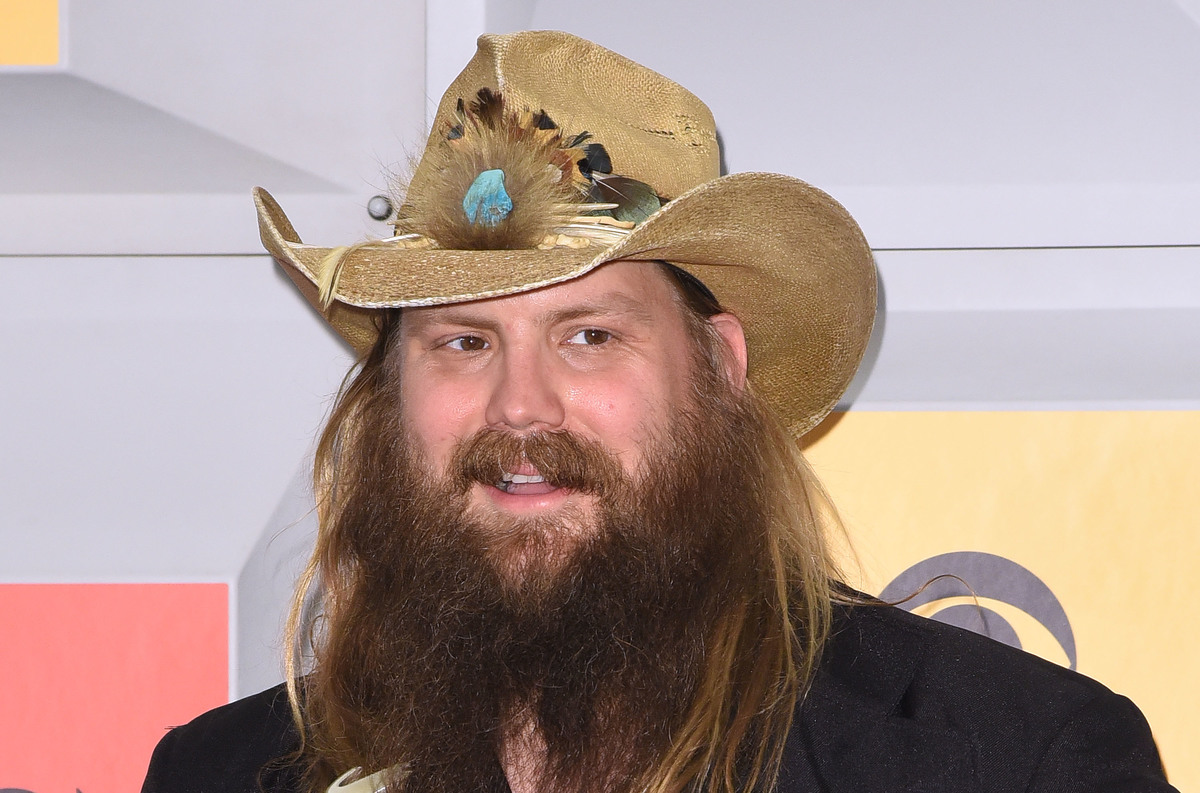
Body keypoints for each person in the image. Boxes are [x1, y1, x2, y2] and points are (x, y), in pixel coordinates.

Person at [141, 31, 1176, 793]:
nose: (520, 404)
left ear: (719, 369)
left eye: (590, 335)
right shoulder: (223, 773)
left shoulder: (1012, 759)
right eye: (463, 342)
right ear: (390, 397)